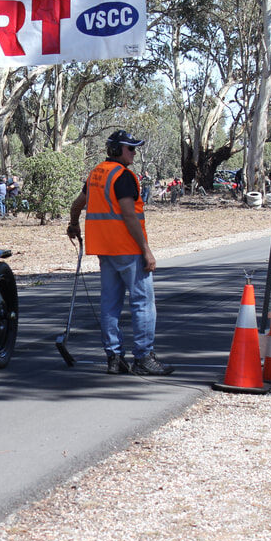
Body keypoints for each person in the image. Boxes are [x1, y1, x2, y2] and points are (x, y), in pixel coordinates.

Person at [66, 130, 175, 376]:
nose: (134, 153)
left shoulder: (97, 173)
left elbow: (77, 204)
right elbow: (128, 214)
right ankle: (144, 358)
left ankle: (114, 358)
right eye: (130, 149)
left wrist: (73, 224)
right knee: (143, 303)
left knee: (110, 304)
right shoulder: (123, 176)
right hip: (127, 250)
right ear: (117, 150)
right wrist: (146, 250)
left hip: (105, 250)